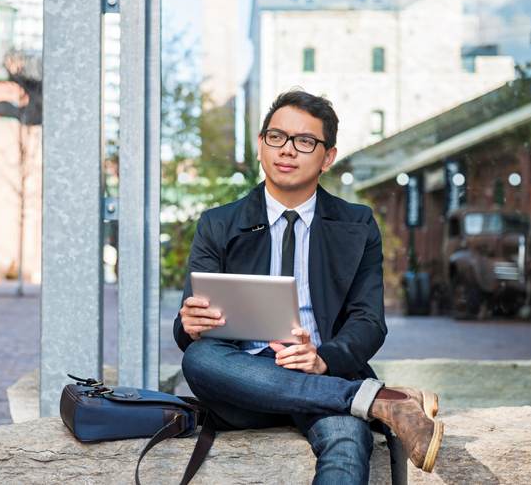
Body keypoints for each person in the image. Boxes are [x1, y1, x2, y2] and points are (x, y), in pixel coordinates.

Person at [174, 90, 443, 483]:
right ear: (261, 146)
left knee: (347, 438)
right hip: (245, 384)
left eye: (304, 141)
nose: (287, 150)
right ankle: (376, 401)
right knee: (198, 359)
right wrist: (191, 323)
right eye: (276, 137)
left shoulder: (357, 225)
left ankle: (357, 401)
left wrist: (323, 359)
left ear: (327, 158)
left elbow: (368, 321)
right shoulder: (219, 224)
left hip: (322, 372)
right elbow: (188, 327)